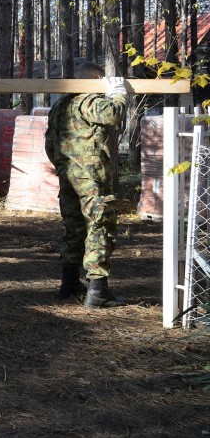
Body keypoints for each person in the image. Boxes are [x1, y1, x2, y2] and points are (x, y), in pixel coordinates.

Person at [44, 63, 129, 308]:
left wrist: (64, 166)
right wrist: (119, 93)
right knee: (100, 227)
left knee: (73, 227)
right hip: (91, 178)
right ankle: (97, 291)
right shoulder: (89, 101)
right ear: (96, 79)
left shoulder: (59, 106)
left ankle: (69, 284)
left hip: (68, 175)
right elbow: (112, 113)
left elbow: (50, 144)